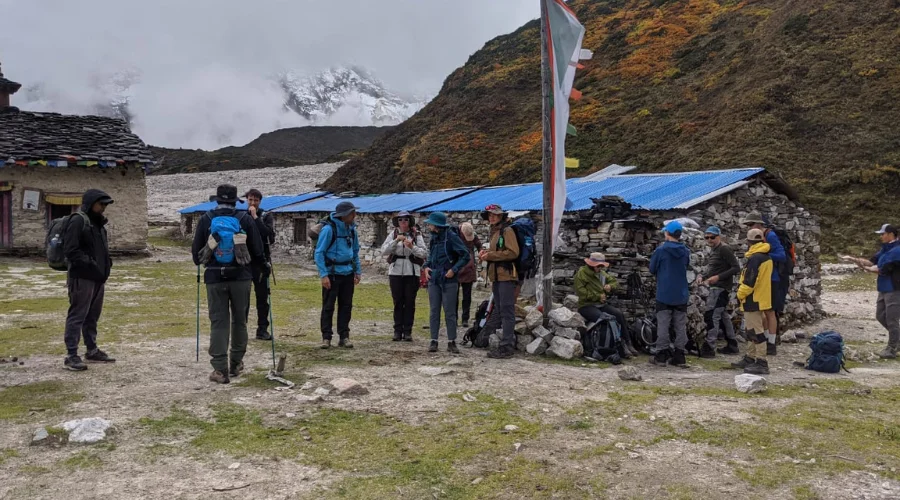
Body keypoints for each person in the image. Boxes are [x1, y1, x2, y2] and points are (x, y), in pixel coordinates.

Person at [191, 184, 265, 384]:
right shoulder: (245, 219)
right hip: (241, 277)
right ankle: (236, 363)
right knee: (239, 320)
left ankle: (220, 369)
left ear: (217, 200)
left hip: (214, 277)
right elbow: (257, 251)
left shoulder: (206, 219)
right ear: (235, 201)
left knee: (219, 321)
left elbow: (196, 256)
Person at [62, 189, 116, 371]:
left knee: (92, 316)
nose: (104, 208)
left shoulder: (98, 223)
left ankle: (91, 349)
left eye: (105, 205)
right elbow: (71, 250)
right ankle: (71, 354)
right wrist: (91, 264)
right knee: (78, 315)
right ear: (91, 203)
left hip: (98, 277)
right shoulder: (78, 221)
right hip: (82, 277)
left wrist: (105, 264)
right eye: (101, 204)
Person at [314, 201, 362, 350]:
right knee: (328, 306)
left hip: (348, 273)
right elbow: (319, 253)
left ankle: (344, 336)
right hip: (332, 274)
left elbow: (355, 252)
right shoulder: (329, 230)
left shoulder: (352, 230)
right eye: (352, 213)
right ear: (345, 215)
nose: (354, 215)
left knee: (346, 306)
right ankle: (326, 337)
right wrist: (323, 275)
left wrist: (357, 271)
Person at [848, 224, 900, 358]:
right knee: (880, 315)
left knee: (892, 319)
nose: (881, 236)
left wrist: (865, 268)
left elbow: (881, 270)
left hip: (894, 289)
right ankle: (897, 340)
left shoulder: (897, 251)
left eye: (883, 234)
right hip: (883, 288)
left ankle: (892, 349)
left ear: (890, 234)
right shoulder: (885, 249)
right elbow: (872, 262)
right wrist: (855, 260)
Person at [422, 212, 470, 353]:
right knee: (434, 311)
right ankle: (433, 341)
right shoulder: (434, 239)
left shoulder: (452, 238)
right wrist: (426, 267)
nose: (428, 225)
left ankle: (451, 341)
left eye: (430, 223)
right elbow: (431, 257)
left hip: (449, 280)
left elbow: (465, 255)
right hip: (434, 279)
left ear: (437, 226)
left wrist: (454, 270)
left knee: (450, 312)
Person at [574, 252, 638, 358]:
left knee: (618, 314)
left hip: (601, 304)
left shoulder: (602, 274)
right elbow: (581, 293)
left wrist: (610, 287)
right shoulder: (581, 274)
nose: (601, 268)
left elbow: (614, 282)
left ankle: (627, 342)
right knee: (605, 318)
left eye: (601, 266)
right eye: (599, 266)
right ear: (592, 265)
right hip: (586, 306)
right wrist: (598, 297)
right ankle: (615, 347)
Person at [479, 204, 520, 359]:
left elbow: (513, 252)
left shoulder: (507, 231)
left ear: (501, 216)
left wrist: (490, 256)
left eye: (495, 215)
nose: (492, 217)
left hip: (507, 276)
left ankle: (507, 346)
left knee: (507, 311)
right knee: (502, 310)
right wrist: (488, 252)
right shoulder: (496, 232)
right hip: (497, 277)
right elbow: (500, 251)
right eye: (490, 215)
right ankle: (505, 344)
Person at [649, 221, 691, 367]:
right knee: (680, 325)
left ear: (667, 233)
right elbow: (686, 265)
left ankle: (661, 355)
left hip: (664, 292)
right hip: (681, 293)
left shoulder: (661, 250)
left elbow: (652, 268)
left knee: (663, 324)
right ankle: (680, 356)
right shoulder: (685, 251)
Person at [743, 212, 786, 355]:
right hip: (764, 279)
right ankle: (766, 340)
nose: (748, 228)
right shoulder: (760, 238)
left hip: (772, 279)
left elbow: (781, 256)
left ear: (758, 224)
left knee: (770, 311)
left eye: (750, 225)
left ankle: (771, 343)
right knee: (761, 310)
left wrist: (763, 256)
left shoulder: (771, 236)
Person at [380, 210, 427, 342]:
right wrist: (396, 241)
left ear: (409, 221)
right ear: (397, 222)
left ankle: (407, 331)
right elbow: (384, 250)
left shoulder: (417, 235)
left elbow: (423, 253)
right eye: (400, 220)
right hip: (395, 272)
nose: (403, 222)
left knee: (410, 302)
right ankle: (397, 330)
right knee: (398, 302)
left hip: (412, 272)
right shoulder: (393, 234)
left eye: (405, 220)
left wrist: (412, 246)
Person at [732, 229, 774, 374]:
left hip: (753, 299)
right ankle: (750, 357)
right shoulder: (765, 257)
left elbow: (750, 281)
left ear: (749, 242)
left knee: (756, 331)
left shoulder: (755, 259)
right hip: (761, 297)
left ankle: (762, 361)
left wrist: (739, 294)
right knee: (751, 329)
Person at [696, 226, 741, 357]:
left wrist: (718, 278)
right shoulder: (714, 250)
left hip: (720, 288)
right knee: (723, 316)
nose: (709, 240)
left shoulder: (724, 249)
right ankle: (732, 345)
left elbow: (736, 268)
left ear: (718, 237)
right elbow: (713, 268)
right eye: (707, 237)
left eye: (712, 237)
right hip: (718, 287)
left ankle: (709, 347)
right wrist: (702, 276)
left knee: (712, 315)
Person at [244, 189, 275, 341]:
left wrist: (256, 218)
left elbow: (268, 235)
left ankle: (262, 329)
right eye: (250, 200)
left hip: (261, 263)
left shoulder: (266, 216)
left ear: (260, 202)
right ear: (246, 200)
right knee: (242, 298)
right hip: (243, 262)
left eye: (256, 200)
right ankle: (240, 329)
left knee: (262, 298)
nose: (253, 203)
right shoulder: (241, 216)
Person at [457, 222, 482, 328]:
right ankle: (453, 318)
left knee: (467, 296)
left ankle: (465, 319)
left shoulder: (474, 235)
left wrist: (481, 253)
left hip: (469, 268)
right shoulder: (455, 234)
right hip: (456, 267)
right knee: (454, 295)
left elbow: (480, 246)